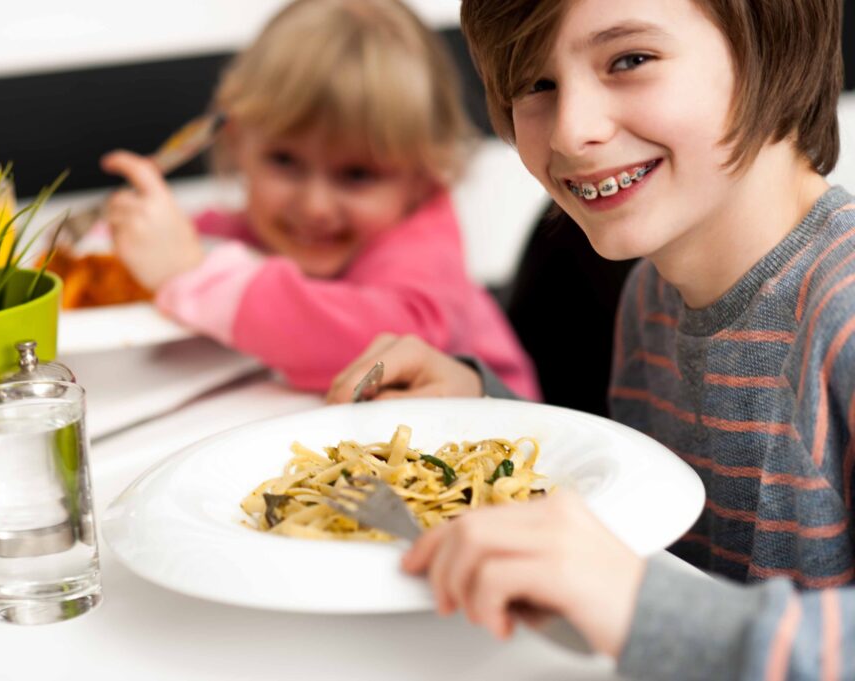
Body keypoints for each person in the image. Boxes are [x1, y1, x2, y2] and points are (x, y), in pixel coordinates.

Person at [327, 0, 855, 678]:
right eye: (536, 86)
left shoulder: (842, 309)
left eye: (629, 60)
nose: (572, 133)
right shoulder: (650, 296)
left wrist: (643, 606)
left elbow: (649, 598)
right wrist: (487, 410)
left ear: (773, 47)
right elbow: (647, 526)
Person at [98, 0, 540, 398]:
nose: (314, 206)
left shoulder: (422, 246)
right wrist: (116, 240)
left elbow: (379, 344)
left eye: (357, 175)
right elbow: (194, 242)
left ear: (422, 176)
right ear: (238, 145)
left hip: (499, 450)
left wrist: (195, 276)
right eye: (284, 161)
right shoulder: (254, 226)